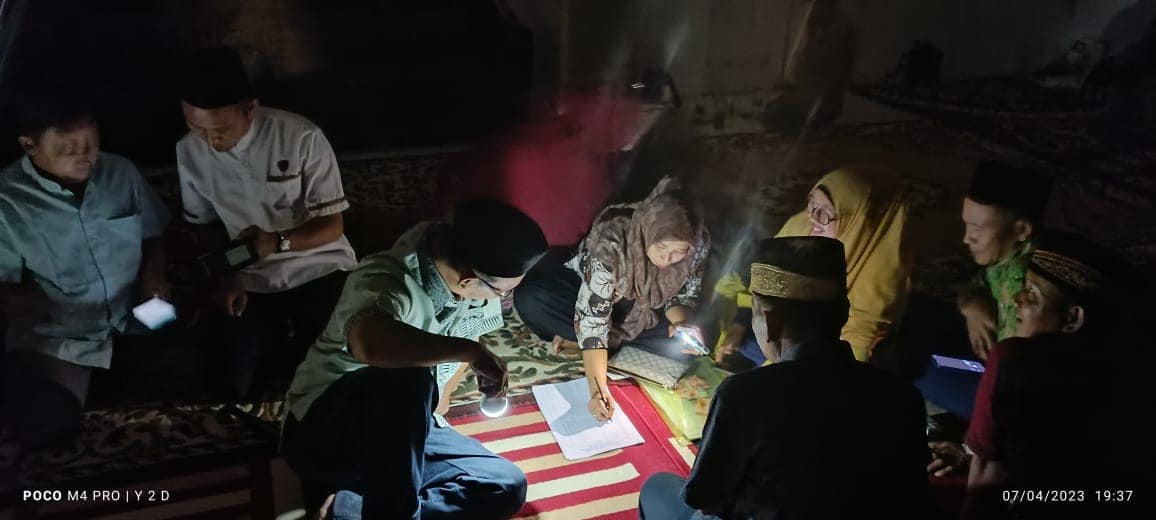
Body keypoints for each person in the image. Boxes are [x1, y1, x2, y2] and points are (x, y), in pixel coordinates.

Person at [283, 198, 546, 519]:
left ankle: (345, 507)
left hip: (402, 435)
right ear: (467, 280)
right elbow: (370, 344)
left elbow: (468, 332)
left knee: (504, 485)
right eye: (502, 292)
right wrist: (469, 351)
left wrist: (444, 392)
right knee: (408, 377)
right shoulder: (384, 279)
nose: (502, 298)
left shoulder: (470, 278)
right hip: (326, 435)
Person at [639, 237, 928, 519]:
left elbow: (703, 497)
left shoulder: (744, 394)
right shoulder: (904, 397)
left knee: (656, 488)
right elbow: (912, 498)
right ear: (844, 313)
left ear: (771, 322)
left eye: (754, 313)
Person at [0, 91, 182, 449]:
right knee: (46, 425)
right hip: (59, 336)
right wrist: (33, 304)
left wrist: (153, 277)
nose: (84, 156)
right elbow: (4, 287)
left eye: (91, 144)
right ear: (29, 145)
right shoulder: (7, 202)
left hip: (132, 315)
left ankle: (108, 375)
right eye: (68, 149)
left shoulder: (120, 172)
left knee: (194, 365)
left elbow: (153, 234)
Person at [176, 46, 356, 398]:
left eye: (221, 129)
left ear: (250, 109)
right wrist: (226, 275)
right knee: (228, 382)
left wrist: (277, 242)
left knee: (332, 374)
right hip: (250, 276)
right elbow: (205, 225)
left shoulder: (300, 136)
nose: (211, 140)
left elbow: (332, 226)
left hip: (319, 268)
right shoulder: (188, 150)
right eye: (196, 127)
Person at [927, 241, 1145, 519]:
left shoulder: (1012, 359)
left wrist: (975, 455)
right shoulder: (1126, 371)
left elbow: (987, 480)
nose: (1017, 299)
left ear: (1073, 318)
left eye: (1031, 294)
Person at [513, 176, 710, 422]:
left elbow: (683, 296)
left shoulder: (698, 244)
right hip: (583, 289)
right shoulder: (613, 239)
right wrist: (598, 390)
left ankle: (587, 342)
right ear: (648, 231)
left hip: (641, 312)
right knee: (531, 300)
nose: (667, 259)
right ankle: (597, 344)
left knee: (689, 344)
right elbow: (593, 319)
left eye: (678, 252)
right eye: (661, 247)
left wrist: (681, 323)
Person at [714, 166, 913, 367]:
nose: (812, 217)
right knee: (735, 343)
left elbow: (849, 352)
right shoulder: (800, 228)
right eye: (812, 204)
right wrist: (740, 326)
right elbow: (766, 285)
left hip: (825, 356)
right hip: (783, 330)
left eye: (825, 212)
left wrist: (775, 372)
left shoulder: (877, 280)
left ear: (860, 222)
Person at [915, 161, 1051, 421]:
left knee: (919, 368)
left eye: (977, 229)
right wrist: (972, 307)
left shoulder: (1029, 287)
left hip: (1007, 394)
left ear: (1021, 230)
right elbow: (973, 287)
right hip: (989, 362)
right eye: (966, 225)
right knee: (915, 310)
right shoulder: (1006, 257)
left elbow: (1015, 380)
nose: (967, 238)